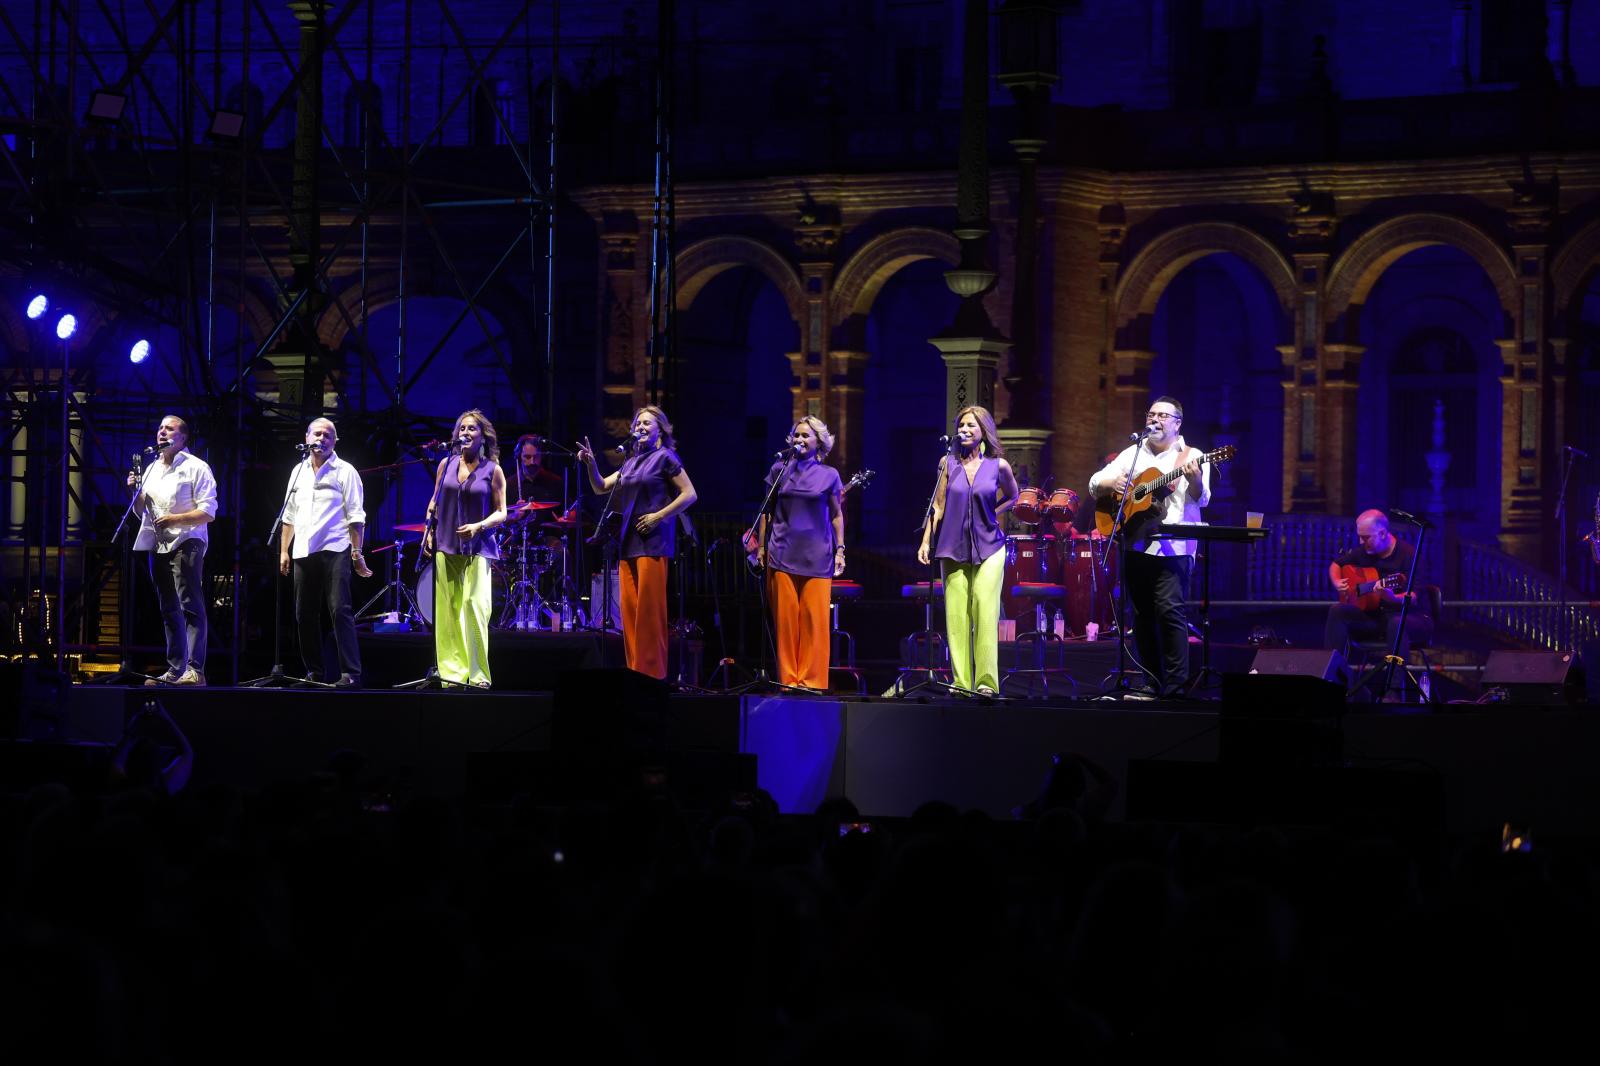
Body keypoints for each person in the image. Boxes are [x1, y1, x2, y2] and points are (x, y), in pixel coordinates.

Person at [1088, 396, 1209, 699]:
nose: (1154, 420)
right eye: (1151, 414)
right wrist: (1113, 483)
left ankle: (1177, 685)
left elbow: (1202, 498)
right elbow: (1094, 483)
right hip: (1136, 543)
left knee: (1170, 612)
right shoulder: (1133, 453)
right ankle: (1151, 682)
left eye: (1163, 416)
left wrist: (1194, 480)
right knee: (1141, 615)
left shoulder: (1191, 455)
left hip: (1174, 547)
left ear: (1177, 422)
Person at [577, 406, 697, 680]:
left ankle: (652, 675)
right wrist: (591, 463)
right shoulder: (630, 463)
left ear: (660, 430)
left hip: (653, 542)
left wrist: (658, 516)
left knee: (649, 614)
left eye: (647, 423)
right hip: (628, 542)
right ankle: (635, 671)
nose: (640, 427)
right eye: (637, 423)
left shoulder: (665, 457)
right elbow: (599, 487)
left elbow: (690, 494)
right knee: (629, 614)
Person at [917, 405, 1020, 695]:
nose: (964, 430)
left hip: (990, 545)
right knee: (957, 616)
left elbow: (1014, 496)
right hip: (951, 546)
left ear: (983, 431)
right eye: (961, 425)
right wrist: (926, 541)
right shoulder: (947, 464)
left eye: (971, 426)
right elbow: (937, 506)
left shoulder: (998, 466)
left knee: (985, 611)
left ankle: (986, 684)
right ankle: (962, 683)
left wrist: (993, 511)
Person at [751, 416, 845, 690]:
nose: (800, 440)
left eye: (806, 436)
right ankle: (788, 680)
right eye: (796, 435)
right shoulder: (779, 470)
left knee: (814, 622)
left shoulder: (830, 475)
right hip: (781, 553)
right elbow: (766, 512)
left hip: (818, 555)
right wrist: (761, 547)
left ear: (819, 442)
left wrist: (840, 550)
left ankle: (812, 681)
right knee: (786, 623)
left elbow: (837, 515)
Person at [279, 417, 372, 687]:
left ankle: (350, 673)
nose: (321, 438)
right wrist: (284, 551)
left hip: (336, 548)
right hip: (303, 549)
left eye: (327, 435)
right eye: (316, 434)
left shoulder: (345, 471)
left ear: (335, 441)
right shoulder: (298, 472)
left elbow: (356, 516)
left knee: (339, 609)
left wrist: (357, 552)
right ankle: (315, 673)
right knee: (303, 613)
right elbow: (289, 516)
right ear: (306, 437)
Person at [422, 410, 508, 689]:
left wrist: (479, 526)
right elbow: (434, 501)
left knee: (474, 607)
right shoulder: (445, 465)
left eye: (472, 429)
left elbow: (502, 512)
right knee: (448, 611)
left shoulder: (492, 470)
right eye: (462, 429)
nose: (466, 433)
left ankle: (479, 675)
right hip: (446, 543)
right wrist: (428, 531)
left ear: (483, 435)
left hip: (478, 546)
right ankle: (452, 676)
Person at [128, 415, 217, 685]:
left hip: (187, 539)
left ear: (183, 437)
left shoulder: (197, 467)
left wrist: (175, 520)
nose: (162, 432)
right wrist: (134, 492)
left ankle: (195, 670)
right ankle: (176, 669)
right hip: (159, 542)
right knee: (168, 607)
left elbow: (208, 512)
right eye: (160, 428)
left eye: (169, 428)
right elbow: (143, 512)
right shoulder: (153, 468)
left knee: (189, 604)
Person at [1325, 508, 1432, 662]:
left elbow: (1413, 598)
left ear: (1382, 534)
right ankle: (1332, 675)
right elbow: (1336, 565)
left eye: (1366, 537)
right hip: (1377, 618)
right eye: (1360, 537)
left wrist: (1392, 597)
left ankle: (1395, 684)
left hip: (1411, 617)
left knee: (1396, 623)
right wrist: (1337, 582)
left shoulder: (1409, 556)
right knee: (1337, 610)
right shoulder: (1365, 551)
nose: (1361, 542)